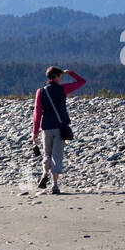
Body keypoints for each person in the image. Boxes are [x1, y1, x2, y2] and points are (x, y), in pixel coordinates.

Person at [31, 66, 86, 194]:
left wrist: (35, 131)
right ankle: (55, 185)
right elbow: (82, 82)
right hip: (60, 127)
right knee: (57, 156)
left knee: (47, 154)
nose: (62, 78)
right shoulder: (62, 89)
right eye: (60, 76)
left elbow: (37, 113)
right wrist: (71, 73)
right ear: (56, 76)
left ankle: (45, 173)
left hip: (46, 127)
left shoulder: (41, 91)